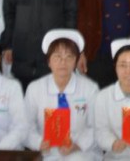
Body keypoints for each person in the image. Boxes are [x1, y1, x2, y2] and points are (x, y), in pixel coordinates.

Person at [24, 29, 100, 159]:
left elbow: (97, 126)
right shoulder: (34, 89)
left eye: (69, 57)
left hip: (81, 152)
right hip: (47, 151)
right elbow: (26, 125)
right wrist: (38, 143)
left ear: (76, 61)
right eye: (57, 57)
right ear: (49, 62)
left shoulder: (90, 89)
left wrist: (77, 145)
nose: (63, 62)